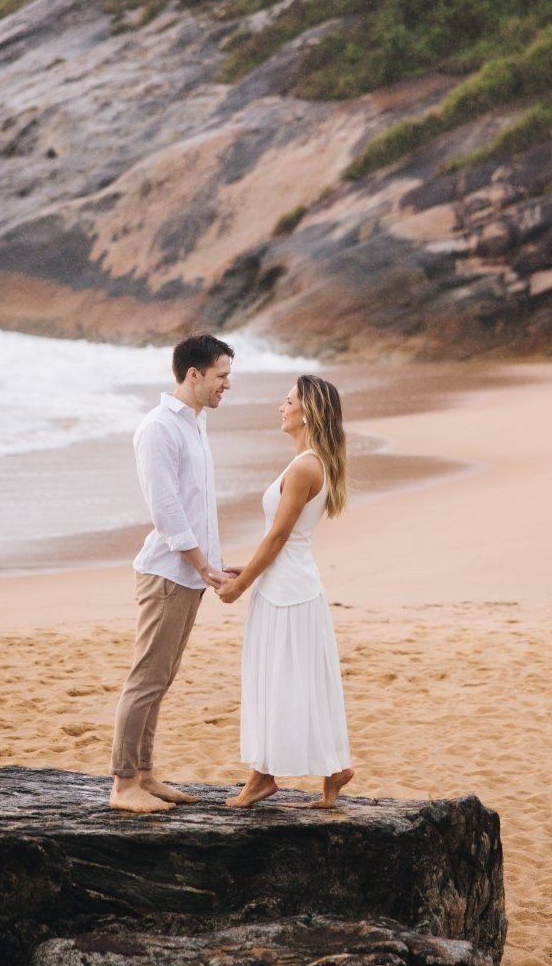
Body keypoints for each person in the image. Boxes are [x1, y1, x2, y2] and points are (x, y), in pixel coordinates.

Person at [109, 333, 235, 813]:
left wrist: (212, 564)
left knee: (162, 678)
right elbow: (166, 510)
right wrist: (203, 565)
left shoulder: (195, 424)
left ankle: (144, 774)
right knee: (145, 678)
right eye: (221, 376)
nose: (227, 385)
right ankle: (123, 784)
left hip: (190, 573)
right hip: (168, 573)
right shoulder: (159, 427)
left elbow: (198, 506)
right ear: (194, 375)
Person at [218, 374, 354, 809]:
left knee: (278, 681)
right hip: (290, 584)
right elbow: (282, 540)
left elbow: (279, 537)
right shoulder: (310, 464)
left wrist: (240, 585)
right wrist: (250, 569)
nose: (282, 407)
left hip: (287, 593)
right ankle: (334, 770)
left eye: (289, 401)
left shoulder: (304, 467)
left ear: (307, 413)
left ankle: (263, 778)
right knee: (300, 680)